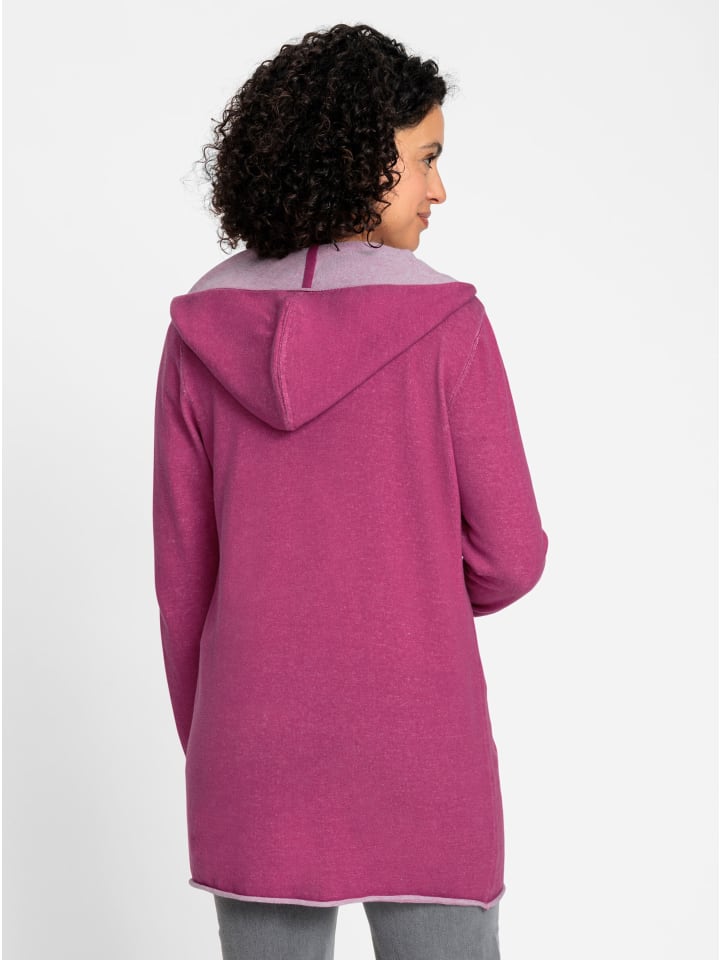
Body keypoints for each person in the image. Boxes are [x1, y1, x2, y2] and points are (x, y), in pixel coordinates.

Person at [152, 22, 549, 960]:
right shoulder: (448, 323)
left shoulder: (198, 329)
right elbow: (512, 557)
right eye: (426, 160)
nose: (439, 190)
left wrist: (221, 742)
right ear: (362, 159)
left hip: (251, 750)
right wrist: (410, 587)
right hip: (423, 744)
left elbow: (182, 586)